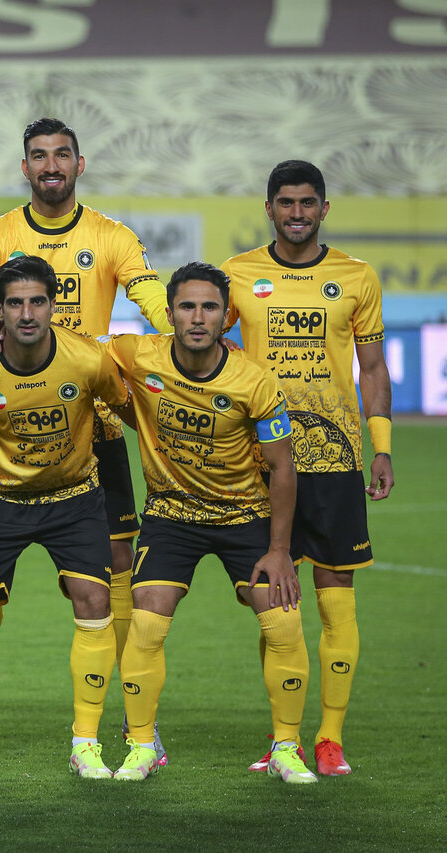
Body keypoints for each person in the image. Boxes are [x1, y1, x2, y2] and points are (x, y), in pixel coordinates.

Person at [0, 117, 172, 758]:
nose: (51, 166)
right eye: (39, 156)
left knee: (113, 573)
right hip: (13, 416)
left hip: (96, 423)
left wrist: (176, 346)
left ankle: (123, 709)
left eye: (61, 155)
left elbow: (156, 304)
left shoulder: (111, 237)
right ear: (26, 167)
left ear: (79, 164)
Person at [106, 262, 316, 784]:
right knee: (147, 619)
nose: (198, 318)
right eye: (187, 306)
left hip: (244, 515)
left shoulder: (254, 381)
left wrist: (279, 549)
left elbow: (283, 466)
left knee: (282, 618)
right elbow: (69, 347)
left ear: (226, 316)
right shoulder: (137, 354)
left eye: (210, 307)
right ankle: (140, 746)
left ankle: (286, 749)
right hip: (171, 515)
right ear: (169, 313)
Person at [221, 160, 394, 777]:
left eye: (308, 203)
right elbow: (209, 346)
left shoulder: (356, 276)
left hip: (337, 457)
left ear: (324, 209)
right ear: (268, 208)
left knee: (335, 599)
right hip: (261, 459)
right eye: (286, 203)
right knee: (273, 602)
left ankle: (330, 739)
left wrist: (381, 444)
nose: (297, 213)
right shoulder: (238, 275)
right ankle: (285, 740)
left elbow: (372, 369)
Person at [0, 256, 127, 779]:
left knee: (95, 599)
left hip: (74, 499)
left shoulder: (88, 360)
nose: (26, 312)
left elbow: (128, 411)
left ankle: (86, 745)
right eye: (14, 302)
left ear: (54, 306)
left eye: (36, 301)